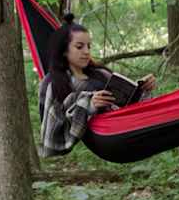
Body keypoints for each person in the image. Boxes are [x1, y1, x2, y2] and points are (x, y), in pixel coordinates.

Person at [39, 14, 156, 157]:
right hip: (104, 138)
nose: (87, 52)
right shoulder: (53, 83)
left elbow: (130, 105)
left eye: (89, 46)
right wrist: (89, 104)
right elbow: (52, 138)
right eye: (79, 47)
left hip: (128, 128)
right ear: (64, 50)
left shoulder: (101, 74)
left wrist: (143, 89)